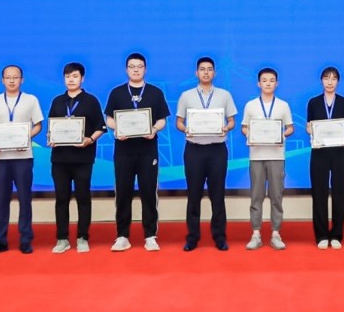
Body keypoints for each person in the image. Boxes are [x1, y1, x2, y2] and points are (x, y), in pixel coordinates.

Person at [104, 52, 171, 252]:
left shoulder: (155, 92)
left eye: (139, 66)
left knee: (149, 192)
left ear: (145, 69)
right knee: (123, 193)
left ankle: (150, 235)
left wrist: (154, 129)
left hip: (147, 151)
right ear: (126, 69)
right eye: (132, 66)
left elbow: (162, 120)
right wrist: (117, 129)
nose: (136, 70)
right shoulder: (117, 93)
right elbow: (109, 118)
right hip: (123, 151)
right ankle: (122, 236)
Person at [175, 56, 238, 251]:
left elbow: (232, 121)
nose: (206, 72)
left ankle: (220, 237)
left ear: (214, 73)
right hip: (194, 150)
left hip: (217, 150)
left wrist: (226, 127)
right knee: (193, 196)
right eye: (202, 69)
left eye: (209, 69)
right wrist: (186, 129)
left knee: (217, 195)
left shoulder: (224, 95)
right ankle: (192, 237)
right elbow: (179, 122)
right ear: (196, 73)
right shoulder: (186, 96)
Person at [0, 65, 44, 255]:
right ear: (2, 80)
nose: (11, 80)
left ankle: (25, 240)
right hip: (0, 157)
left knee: (25, 199)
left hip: (23, 157)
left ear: (21, 80)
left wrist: (25, 138)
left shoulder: (31, 100)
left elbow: (38, 125)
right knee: (2, 200)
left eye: (15, 77)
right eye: (8, 77)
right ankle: (0, 240)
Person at [47, 61, 107, 254]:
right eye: (67, 76)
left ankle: (82, 237)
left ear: (82, 78)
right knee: (61, 198)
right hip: (60, 159)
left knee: (83, 198)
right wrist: (51, 138)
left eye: (75, 76)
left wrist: (90, 139)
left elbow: (101, 127)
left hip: (83, 158)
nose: (71, 80)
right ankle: (62, 238)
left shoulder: (91, 101)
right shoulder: (57, 101)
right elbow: (51, 127)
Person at [241, 67, 294, 250]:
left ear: (276, 83)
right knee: (256, 196)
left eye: (271, 80)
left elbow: (290, 128)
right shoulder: (250, 105)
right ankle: (256, 234)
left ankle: (275, 234)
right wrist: (250, 135)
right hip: (256, 157)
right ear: (259, 83)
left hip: (276, 156)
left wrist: (281, 135)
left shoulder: (283, 105)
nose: (268, 83)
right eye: (264, 80)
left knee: (276, 196)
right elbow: (244, 127)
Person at [306, 66, 344, 249]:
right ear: (321, 80)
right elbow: (309, 127)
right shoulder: (313, 102)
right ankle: (321, 235)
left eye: (333, 78)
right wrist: (315, 131)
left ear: (338, 81)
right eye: (326, 78)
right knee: (319, 193)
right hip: (319, 152)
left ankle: (336, 235)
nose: (330, 82)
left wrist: (343, 131)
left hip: (340, 152)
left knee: (339, 193)